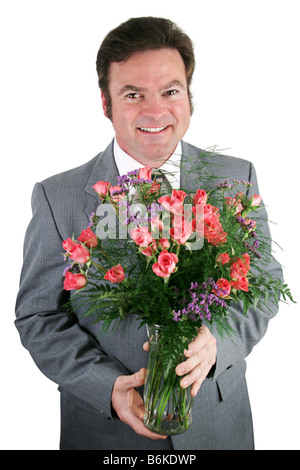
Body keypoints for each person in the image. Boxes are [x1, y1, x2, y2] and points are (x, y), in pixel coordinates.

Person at [15, 17, 283, 450]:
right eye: (133, 94)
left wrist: (217, 342)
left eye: (171, 91)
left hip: (219, 430)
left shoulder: (236, 178)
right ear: (106, 102)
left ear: (189, 98)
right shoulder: (56, 197)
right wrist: (105, 386)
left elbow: (264, 287)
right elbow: (38, 316)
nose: (155, 112)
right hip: (105, 436)